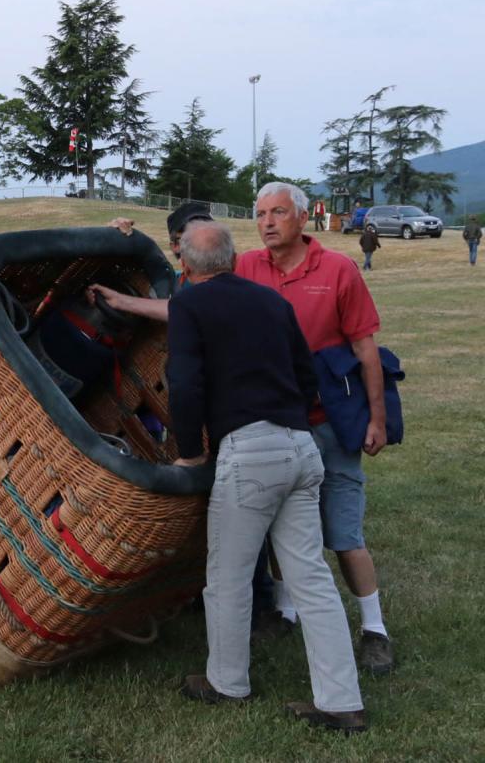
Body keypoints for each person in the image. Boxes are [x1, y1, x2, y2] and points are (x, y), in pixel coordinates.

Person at [95, 183, 398, 675]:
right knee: (295, 547)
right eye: (260, 214)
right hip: (294, 426)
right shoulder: (247, 269)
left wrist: (376, 418)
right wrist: (127, 245)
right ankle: (294, 622)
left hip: (322, 425)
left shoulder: (339, 270)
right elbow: (193, 286)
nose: (267, 222)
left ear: (303, 218)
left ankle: (373, 628)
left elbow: (366, 352)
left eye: (278, 212)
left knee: (339, 534)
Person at [168, 222, 365, 732]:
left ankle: (227, 682)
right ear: (233, 259)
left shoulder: (188, 304)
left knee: (227, 576)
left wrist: (190, 454)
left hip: (248, 451)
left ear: (186, 266)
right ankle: (342, 700)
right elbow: (306, 376)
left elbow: (185, 384)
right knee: (312, 579)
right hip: (301, 448)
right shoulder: (273, 302)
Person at [105, 204, 278, 634]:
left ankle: (255, 605)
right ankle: (208, 593)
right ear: (178, 246)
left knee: (244, 514)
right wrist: (115, 235)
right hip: (221, 419)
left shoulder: (228, 277)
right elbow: (170, 304)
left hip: (237, 420)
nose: (205, 235)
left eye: (208, 228)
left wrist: (189, 453)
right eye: (193, 231)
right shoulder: (182, 280)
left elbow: (180, 328)